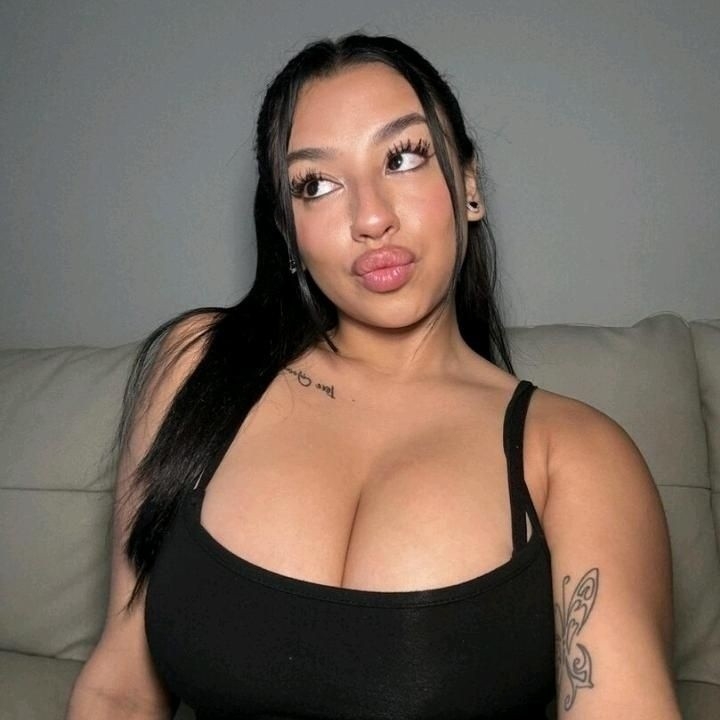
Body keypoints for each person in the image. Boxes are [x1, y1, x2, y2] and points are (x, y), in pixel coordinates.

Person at [66, 33, 681, 719]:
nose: (371, 218)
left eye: (403, 157)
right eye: (316, 184)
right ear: (287, 227)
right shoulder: (197, 369)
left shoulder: (573, 454)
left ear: (469, 184)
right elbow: (120, 689)